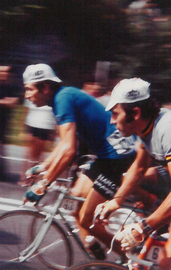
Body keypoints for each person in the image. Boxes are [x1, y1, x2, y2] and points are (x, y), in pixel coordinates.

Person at [22, 63, 136, 258]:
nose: (26, 95)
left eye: (30, 89)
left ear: (45, 88)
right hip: (107, 157)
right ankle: (96, 255)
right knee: (75, 201)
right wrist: (43, 166)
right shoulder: (61, 98)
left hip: (117, 158)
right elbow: (65, 143)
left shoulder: (62, 100)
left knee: (85, 219)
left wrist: (42, 185)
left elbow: (69, 151)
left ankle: (129, 259)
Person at [97, 78, 171, 269]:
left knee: (166, 260)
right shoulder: (145, 128)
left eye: (115, 114)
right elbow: (139, 167)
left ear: (135, 113)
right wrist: (117, 200)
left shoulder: (166, 129)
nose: (112, 121)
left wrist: (143, 227)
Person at [20, 99, 57, 185]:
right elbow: (26, 111)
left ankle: (33, 178)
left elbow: (56, 114)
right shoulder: (31, 94)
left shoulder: (51, 97)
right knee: (28, 154)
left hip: (46, 126)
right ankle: (23, 177)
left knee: (37, 155)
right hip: (31, 124)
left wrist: (54, 131)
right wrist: (23, 129)